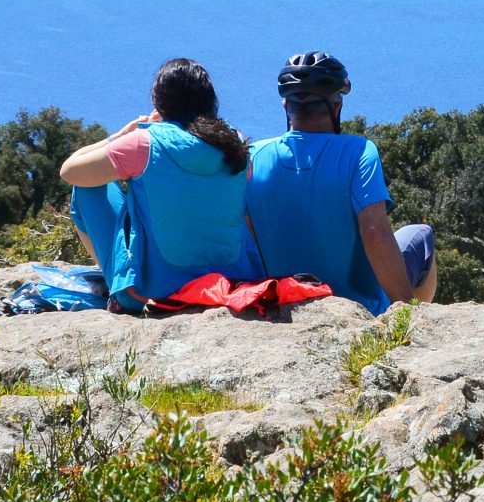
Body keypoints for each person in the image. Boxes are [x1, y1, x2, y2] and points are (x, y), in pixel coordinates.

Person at [245, 51, 436, 314]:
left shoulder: (251, 157)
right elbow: (375, 233)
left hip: (281, 302)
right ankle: (418, 319)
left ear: (286, 108)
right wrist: (404, 312)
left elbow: (247, 238)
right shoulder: (358, 152)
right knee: (421, 235)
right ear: (336, 107)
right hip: (359, 307)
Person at [61, 57, 258, 310]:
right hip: (234, 281)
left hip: (152, 290)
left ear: (159, 103)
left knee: (86, 186)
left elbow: (70, 171)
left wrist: (120, 136)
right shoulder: (234, 141)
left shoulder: (144, 143)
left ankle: (116, 285)